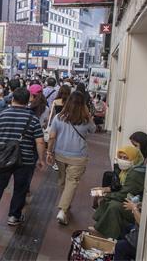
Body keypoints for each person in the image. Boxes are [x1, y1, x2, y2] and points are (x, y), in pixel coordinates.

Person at [0, 87, 46, 226]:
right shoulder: (33, 118)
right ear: (28, 101)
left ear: (12, 99)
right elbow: (40, 141)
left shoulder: (1, 115)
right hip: (25, 160)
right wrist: (41, 159)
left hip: (2, 158)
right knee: (20, 188)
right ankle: (14, 216)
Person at [46, 92, 96, 225]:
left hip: (60, 155)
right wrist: (88, 115)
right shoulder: (86, 120)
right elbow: (93, 130)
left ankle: (65, 205)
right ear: (83, 105)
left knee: (62, 181)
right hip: (78, 157)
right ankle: (63, 209)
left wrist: (49, 152)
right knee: (72, 181)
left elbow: (52, 137)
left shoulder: (58, 117)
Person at [91, 146, 145, 239]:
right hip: (130, 201)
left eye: (126, 158)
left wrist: (108, 195)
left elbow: (124, 193)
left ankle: (109, 235)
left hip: (136, 206)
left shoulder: (136, 174)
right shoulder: (126, 171)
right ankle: (101, 228)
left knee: (114, 206)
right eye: (121, 157)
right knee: (110, 201)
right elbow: (119, 187)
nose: (122, 160)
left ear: (134, 159)